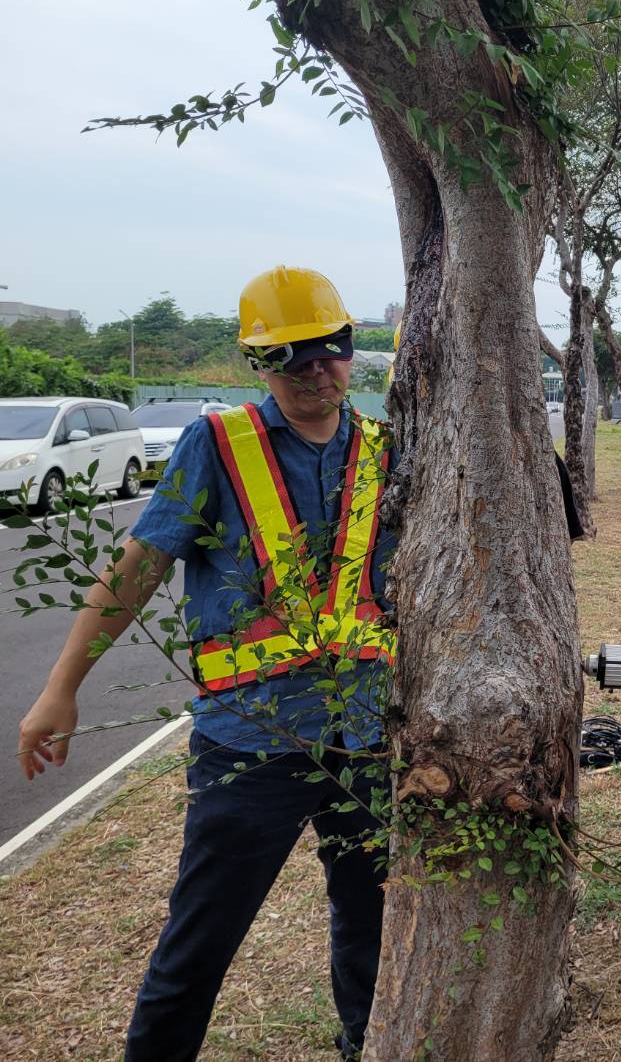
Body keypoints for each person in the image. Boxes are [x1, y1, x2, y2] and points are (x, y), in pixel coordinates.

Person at [16, 265, 398, 1061]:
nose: (309, 371)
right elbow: (139, 567)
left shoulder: (383, 452)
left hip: (362, 739)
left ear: (350, 350)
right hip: (250, 742)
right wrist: (61, 688)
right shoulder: (219, 444)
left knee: (373, 934)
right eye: (285, 356)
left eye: (325, 351)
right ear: (257, 363)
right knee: (200, 944)